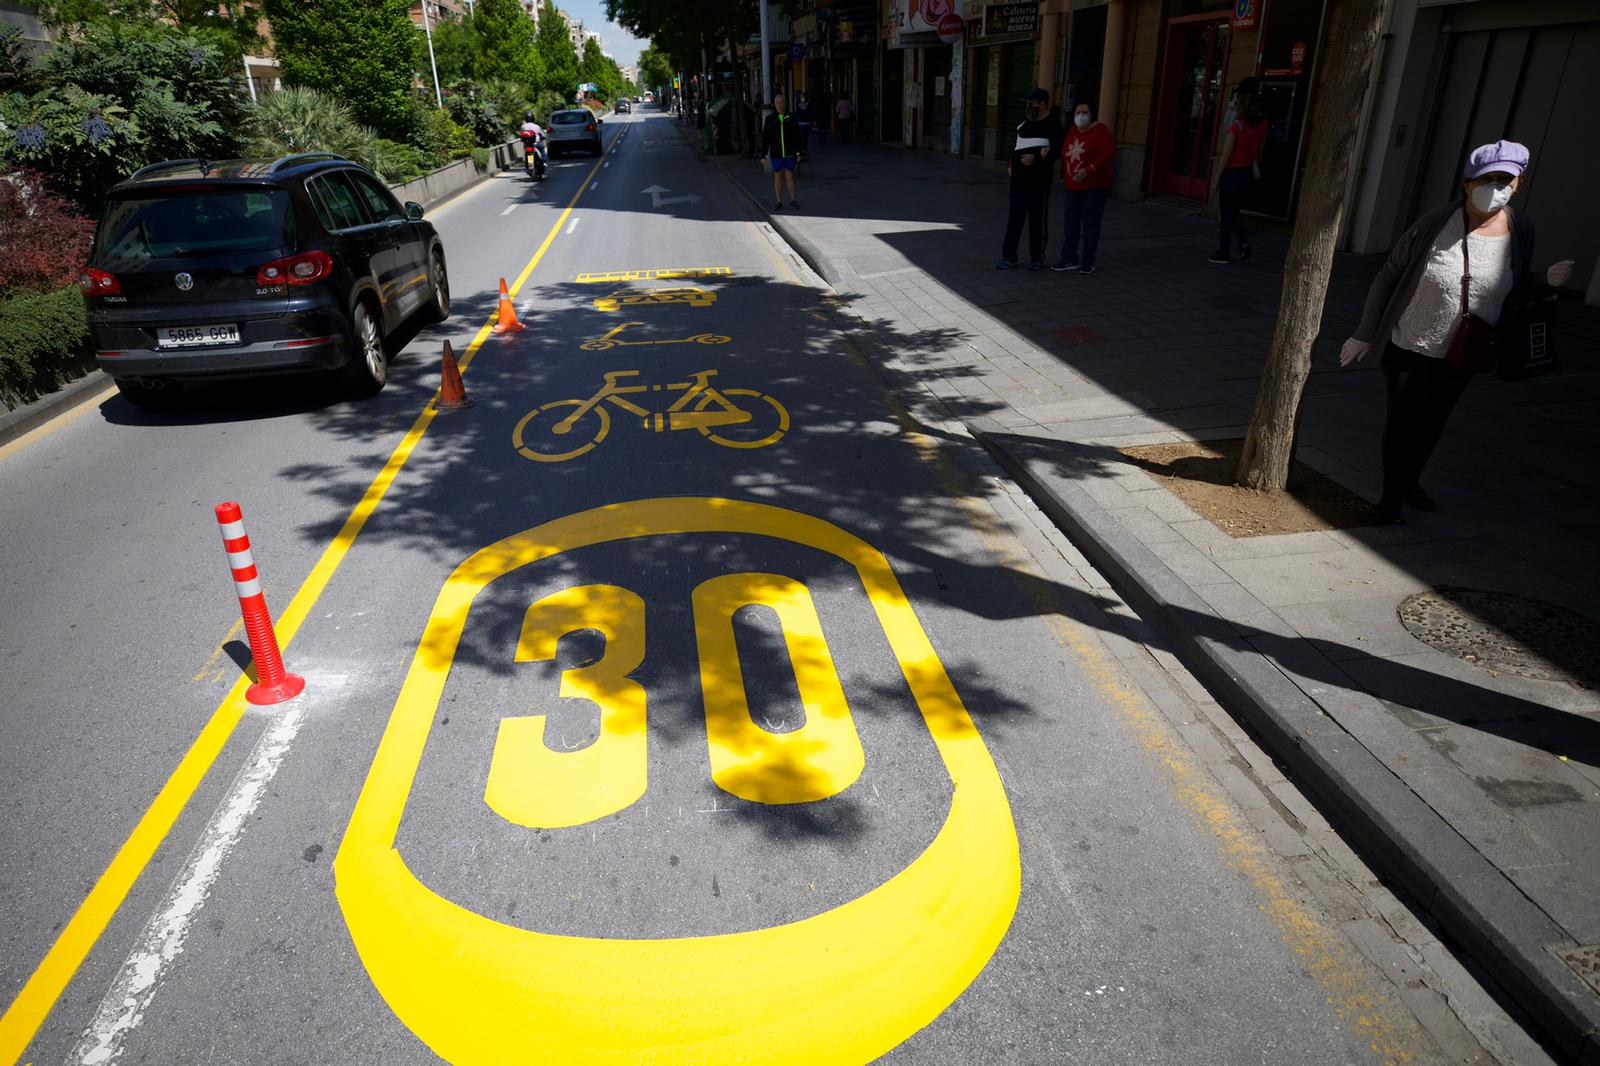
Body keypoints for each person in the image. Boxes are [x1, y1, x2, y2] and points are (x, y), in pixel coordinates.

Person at [1338, 140, 1575, 522]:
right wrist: (1365, 333)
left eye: (1504, 180)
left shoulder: (1520, 229)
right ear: (1467, 183)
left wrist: (1544, 280)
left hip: (1466, 348)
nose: (1494, 188)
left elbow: (1514, 284)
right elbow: (1387, 277)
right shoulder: (1434, 224)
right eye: (1486, 179)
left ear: (1518, 184)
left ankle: (1410, 481)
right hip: (1410, 342)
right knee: (1403, 422)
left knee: (1433, 421)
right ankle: (1390, 498)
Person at [1208, 81, 1268, 264]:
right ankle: (1242, 243)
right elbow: (1259, 152)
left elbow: (1227, 154)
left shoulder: (1236, 126)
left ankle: (1224, 252)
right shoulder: (1263, 125)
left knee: (1227, 213)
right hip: (1247, 173)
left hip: (1232, 173)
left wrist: (1216, 178)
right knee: (1234, 211)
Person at [998, 88, 1057, 271]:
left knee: (1036, 221)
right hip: (1018, 183)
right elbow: (1016, 148)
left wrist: (1036, 160)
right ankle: (1009, 256)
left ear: (1043, 104)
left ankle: (1036, 258)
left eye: (1032, 103)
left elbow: (1056, 152)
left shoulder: (1053, 124)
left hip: (1038, 183)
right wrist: (1011, 164)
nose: (1028, 107)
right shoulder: (1024, 125)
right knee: (1014, 220)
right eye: (1027, 103)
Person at [1054, 99, 1114, 275]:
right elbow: (1065, 151)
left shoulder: (1100, 131)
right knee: (1070, 223)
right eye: (1077, 113)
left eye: (1084, 112)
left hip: (1094, 187)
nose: (1080, 116)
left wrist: (1089, 170)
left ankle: (1088, 262)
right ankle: (1069, 258)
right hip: (1073, 186)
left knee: (1090, 224)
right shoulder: (1073, 130)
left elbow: (1108, 153)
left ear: (1092, 114)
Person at [762, 93, 803, 211]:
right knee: (778, 178)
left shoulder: (792, 117)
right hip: (776, 154)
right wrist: (764, 155)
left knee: (790, 177)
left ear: (785, 104)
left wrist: (799, 153)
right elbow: (766, 138)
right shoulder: (770, 119)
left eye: (782, 102)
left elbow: (797, 137)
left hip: (790, 153)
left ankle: (793, 201)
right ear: (774, 105)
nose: (780, 105)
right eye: (777, 103)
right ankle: (779, 201)